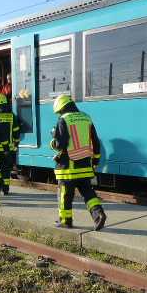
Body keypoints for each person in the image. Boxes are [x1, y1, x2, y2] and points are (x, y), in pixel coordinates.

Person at [50, 94, 106, 230]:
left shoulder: (63, 120)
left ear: (61, 108)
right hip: (85, 165)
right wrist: (96, 160)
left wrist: (53, 141)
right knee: (88, 192)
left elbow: (61, 144)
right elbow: (96, 142)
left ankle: (65, 221)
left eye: (59, 112)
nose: (59, 114)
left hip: (68, 167)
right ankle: (98, 214)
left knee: (65, 194)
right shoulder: (86, 117)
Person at [0, 93, 20, 195]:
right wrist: (16, 144)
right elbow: (16, 131)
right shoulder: (12, 116)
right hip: (9, 149)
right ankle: (6, 188)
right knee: (6, 170)